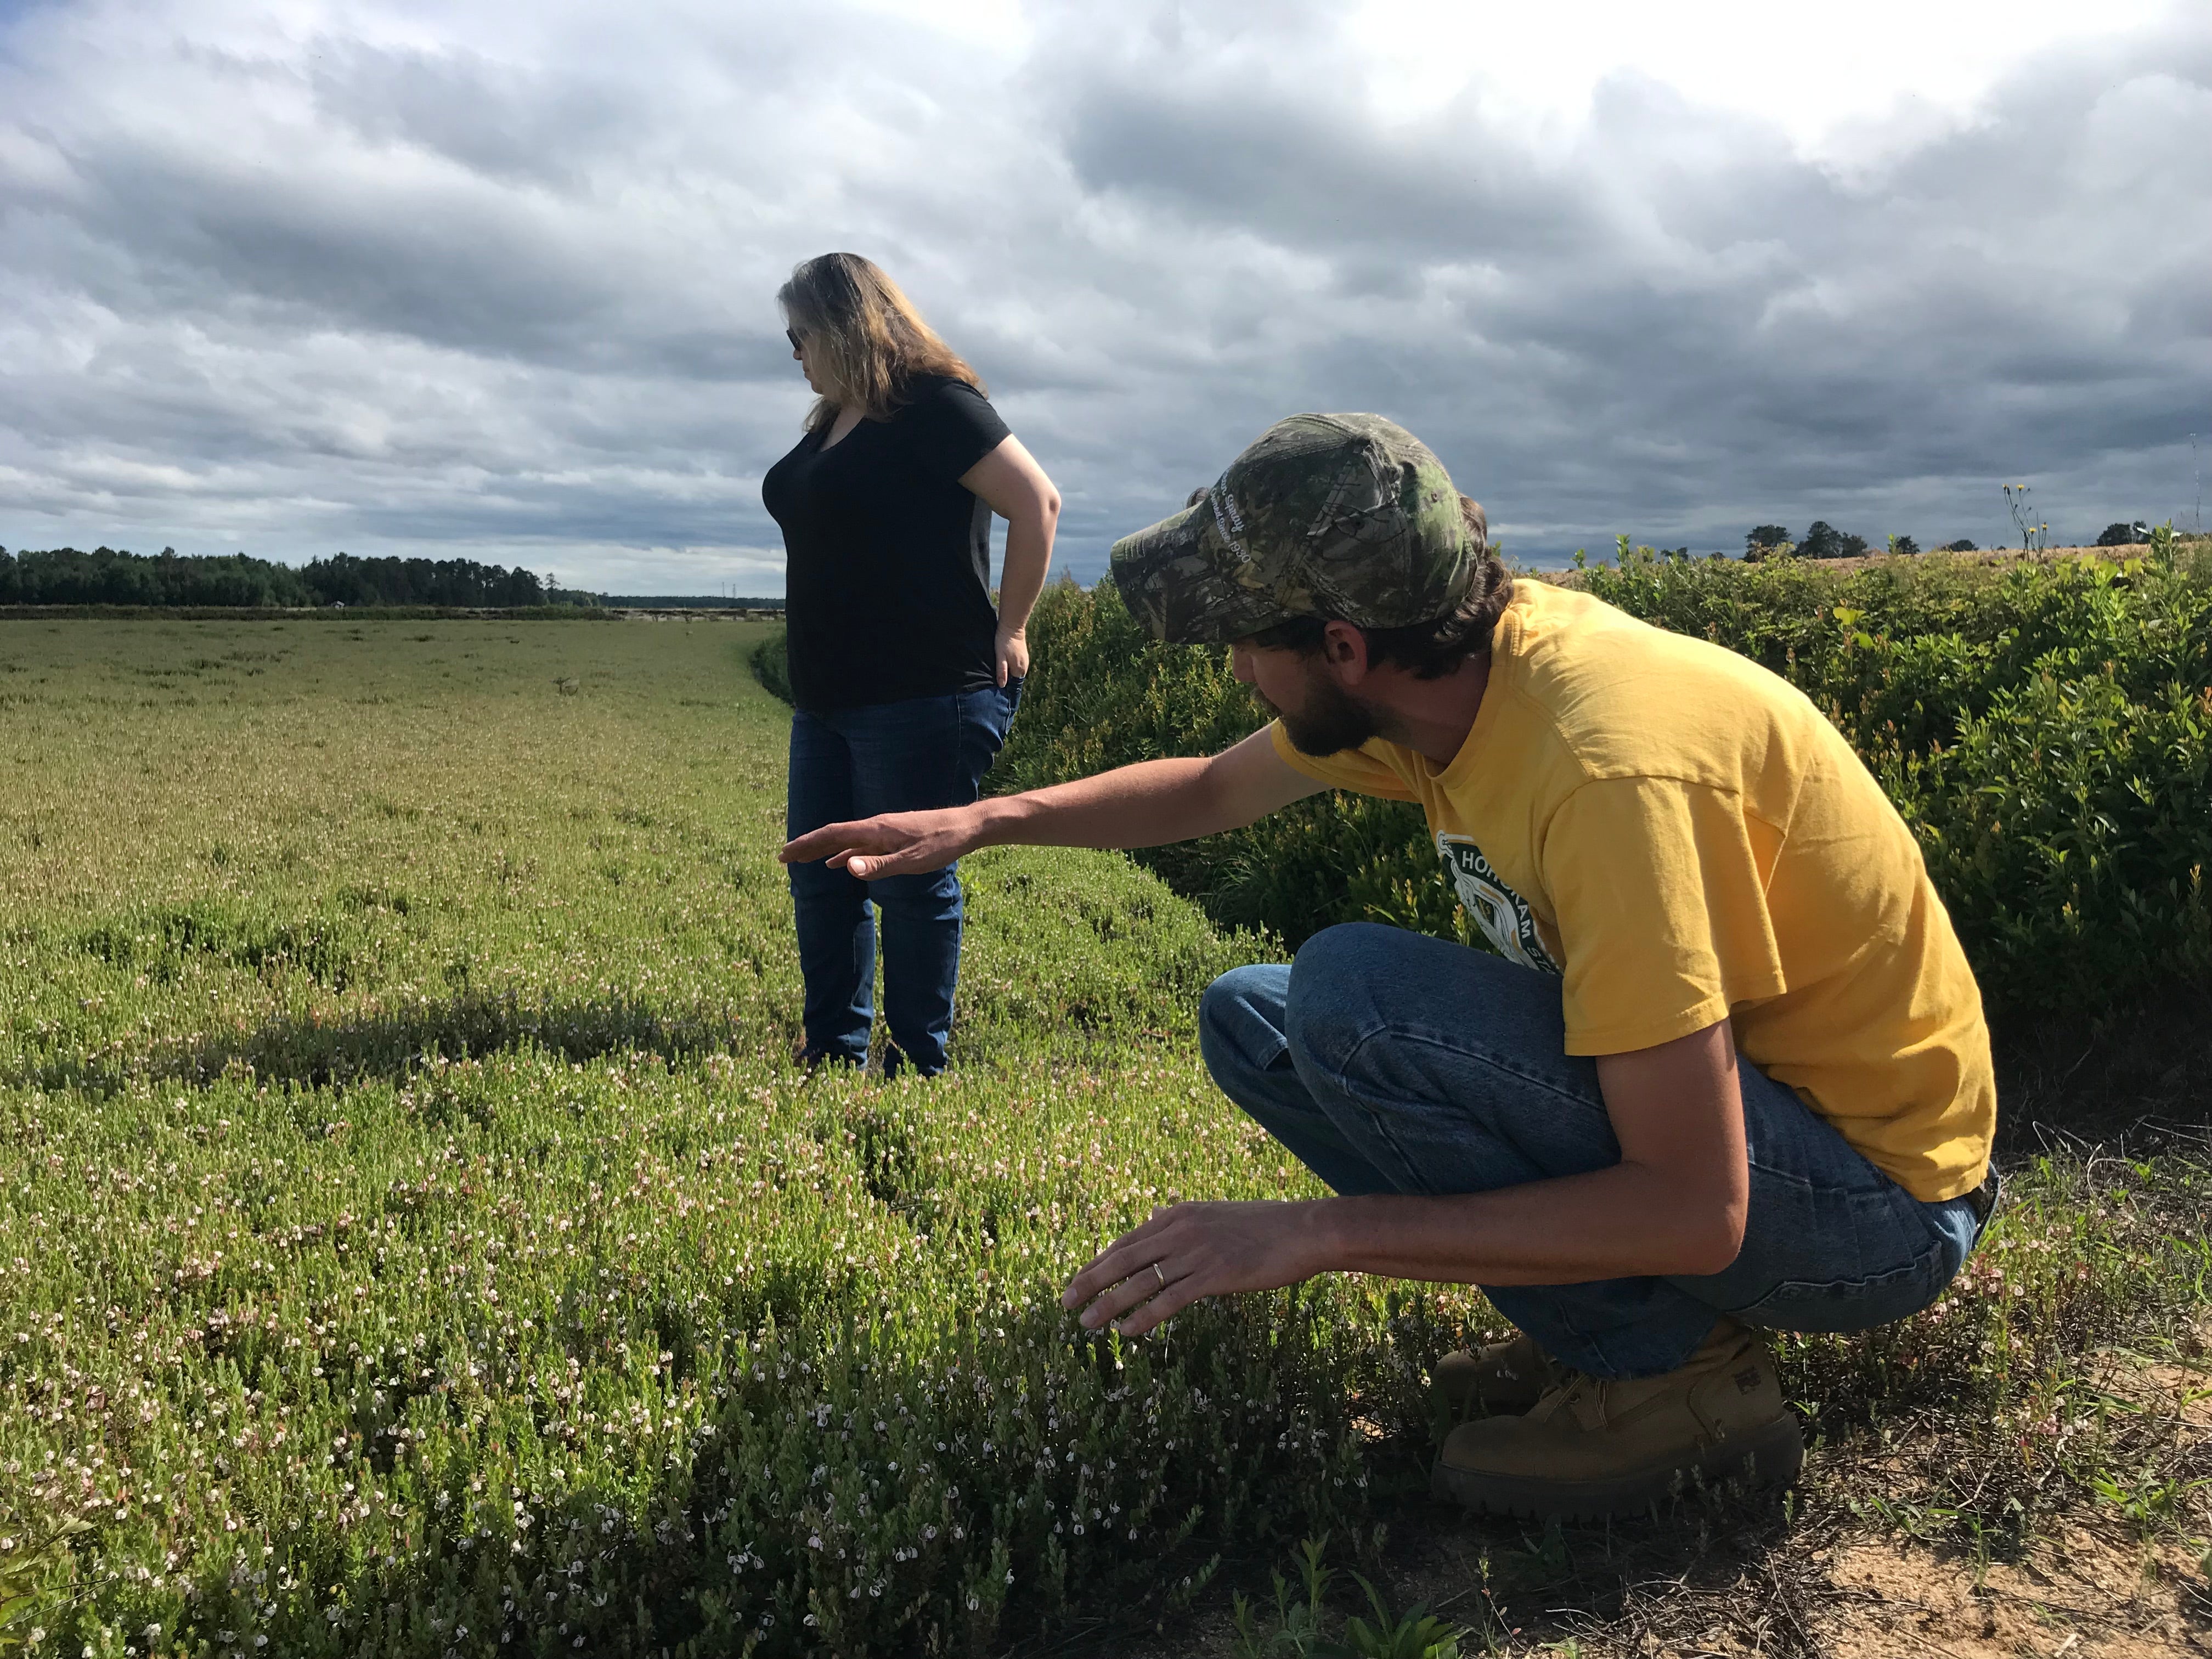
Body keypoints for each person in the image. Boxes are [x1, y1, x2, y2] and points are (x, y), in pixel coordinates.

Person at [780, 413, 1998, 1519]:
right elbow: (1210, 789)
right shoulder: (1451, 682)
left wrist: (1313, 1233)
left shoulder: (1604, 773)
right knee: (1255, 1017)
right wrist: (978, 822)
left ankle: (1682, 1386)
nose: (1236, 671)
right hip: (1762, 1138)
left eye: (1247, 643)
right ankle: (1613, 1321)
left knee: (1354, 992)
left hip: (1877, 1211)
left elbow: (1697, 1204)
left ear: (1346, 646)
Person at [763, 252, 1060, 1077]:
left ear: (843, 325)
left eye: (800, 335)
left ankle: (916, 1063)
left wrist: (1014, 628)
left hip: (926, 689)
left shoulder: (932, 404)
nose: (794, 354)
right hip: (827, 696)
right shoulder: (831, 421)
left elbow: (1037, 502)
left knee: (907, 879)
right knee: (820, 876)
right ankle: (832, 1050)